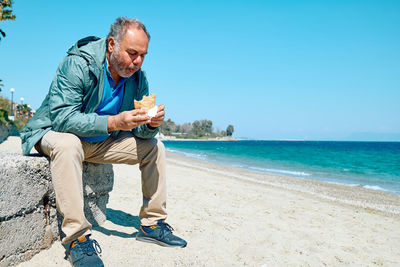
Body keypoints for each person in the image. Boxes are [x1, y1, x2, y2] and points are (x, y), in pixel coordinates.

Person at [20, 17, 187, 267]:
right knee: (68, 144)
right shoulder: (78, 64)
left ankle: (152, 224)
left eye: (143, 55)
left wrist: (150, 125)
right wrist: (115, 122)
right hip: (53, 132)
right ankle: (76, 238)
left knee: (155, 148)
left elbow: (140, 131)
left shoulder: (137, 77)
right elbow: (63, 118)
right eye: (132, 53)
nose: (138, 61)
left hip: (100, 142)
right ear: (111, 44)